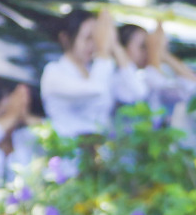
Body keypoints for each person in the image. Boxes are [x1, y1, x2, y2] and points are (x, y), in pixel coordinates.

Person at [39, 9, 146, 137]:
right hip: (67, 152)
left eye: (97, 38)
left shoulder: (98, 68)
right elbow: (95, 90)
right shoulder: (54, 72)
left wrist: (115, 44)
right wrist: (103, 51)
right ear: (65, 38)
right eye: (88, 38)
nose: (94, 44)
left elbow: (138, 92)